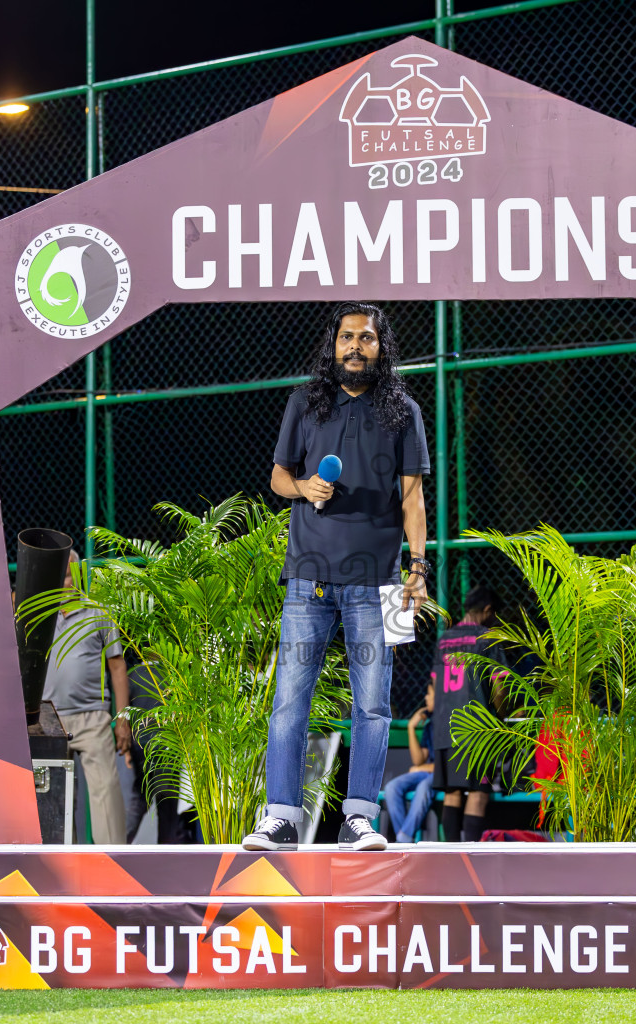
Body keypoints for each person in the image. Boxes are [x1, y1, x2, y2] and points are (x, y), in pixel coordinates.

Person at [243, 302, 430, 853]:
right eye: (347, 337)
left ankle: (359, 819)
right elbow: (278, 476)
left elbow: (413, 496)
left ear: (381, 346)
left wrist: (417, 569)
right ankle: (280, 818)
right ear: (333, 345)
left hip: (382, 583)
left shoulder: (404, 411)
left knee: (373, 705)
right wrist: (303, 488)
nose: (355, 346)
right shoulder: (304, 402)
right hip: (308, 577)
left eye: (366, 338)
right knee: (290, 701)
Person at [43, 550, 131, 845]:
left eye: (70, 573)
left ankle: (114, 861)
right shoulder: (38, 614)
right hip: (49, 720)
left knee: (106, 791)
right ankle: (61, 865)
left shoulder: (98, 611)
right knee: (56, 798)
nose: (66, 579)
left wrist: (122, 719)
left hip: (93, 716)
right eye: (61, 574)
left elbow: (117, 667)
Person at [430, 585, 504, 843]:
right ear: (486, 610)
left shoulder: (445, 639)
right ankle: (471, 863)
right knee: (478, 792)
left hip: (444, 727)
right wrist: (501, 713)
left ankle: (451, 859)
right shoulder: (487, 637)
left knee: (453, 792)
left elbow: (434, 685)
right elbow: (500, 686)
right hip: (475, 728)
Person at [120, 656, 198, 844]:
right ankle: (167, 849)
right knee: (167, 803)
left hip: (141, 747)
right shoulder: (172, 675)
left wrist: (129, 750)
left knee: (139, 799)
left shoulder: (133, 676)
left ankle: (119, 843)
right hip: (167, 746)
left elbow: (128, 716)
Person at [384, 683, 437, 844]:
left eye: (429, 694)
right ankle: (405, 837)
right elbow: (418, 760)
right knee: (392, 787)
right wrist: (410, 728)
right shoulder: (430, 726)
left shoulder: (450, 722)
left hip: (442, 774)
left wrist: (422, 768)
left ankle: (404, 838)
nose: (425, 698)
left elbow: (449, 764)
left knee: (423, 787)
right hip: (428, 771)